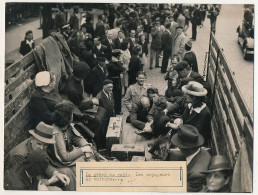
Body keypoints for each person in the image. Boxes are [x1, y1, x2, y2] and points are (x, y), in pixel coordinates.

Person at [7, 121, 71, 190]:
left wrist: (56, 173)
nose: (42, 148)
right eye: (39, 144)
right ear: (31, 139)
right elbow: (22, 181)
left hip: (34, 177)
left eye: (45, 145)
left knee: (66, 172)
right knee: (57, 190)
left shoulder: (39, 145)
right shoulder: (19, 155)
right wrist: (43, 187)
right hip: (27, 184)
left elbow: (42, 163)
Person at [60, 61, 107, 149]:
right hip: (75, 114)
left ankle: (103, 138)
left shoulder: (74, 79)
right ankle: (100, 146)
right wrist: (92, 102)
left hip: (78, 107)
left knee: (103, 111)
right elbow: (79, 107)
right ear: (83, 75)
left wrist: (89, 100)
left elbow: (81, 97)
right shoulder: (72, 89)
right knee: (98, 121)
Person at [48, 102, 95, 170]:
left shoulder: (67, 126)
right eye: (72, 114)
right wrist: (83, 150)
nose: (73, 115)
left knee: (91, 154)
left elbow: (77, 138)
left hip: (70, 153)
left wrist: (86, 146)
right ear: (67, 117)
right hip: (62, 164)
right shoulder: (56, 134)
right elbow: (65, 157)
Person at [170, 124, 211, 192]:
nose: (178, 147)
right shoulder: (202, 151)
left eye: (179, 145)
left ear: (187, 149)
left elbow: (184, 191)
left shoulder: (197, 174)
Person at [169, 81, 211, 146]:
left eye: (187, 96)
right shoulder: (190, 105)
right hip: (186, 134)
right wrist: (179, 121)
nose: (185, 98)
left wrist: (178, 127)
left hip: (195, 142)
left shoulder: (204, 113)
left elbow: (196, 133)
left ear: (194, 98)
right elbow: (183, 117)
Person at [107, 49, 125, 115]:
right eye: (119, 56)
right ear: (117, 56)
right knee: (116, 96)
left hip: (117, 81)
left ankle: (117, 109)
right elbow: (121, 69)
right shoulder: (112, 64)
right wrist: (117, 62)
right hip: (115, 82)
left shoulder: (113, 63)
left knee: (118, 96)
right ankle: (117, 110)